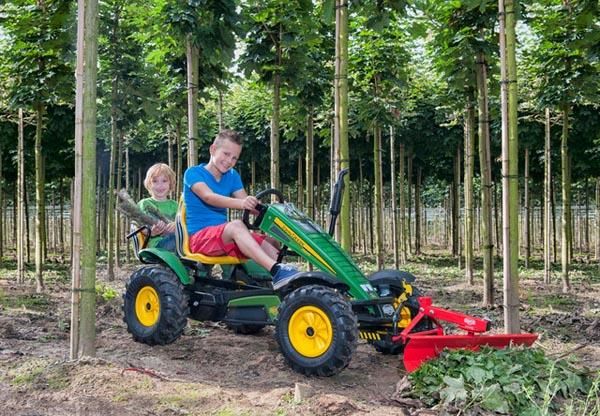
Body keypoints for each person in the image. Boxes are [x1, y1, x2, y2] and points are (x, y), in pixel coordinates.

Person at [183, 129, 298, 287]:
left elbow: (247, 203)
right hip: (199, 239)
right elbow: (209, 197)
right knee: (237, 225)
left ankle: (287, 284)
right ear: (213, 149)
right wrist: (242, 204)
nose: (229, 161)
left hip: (224, 237)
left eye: (234, 158)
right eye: (226, 154)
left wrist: (275, 212)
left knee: (272, 242)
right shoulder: (193, 173)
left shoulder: (232, 176)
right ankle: (276, 270)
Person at [138, 163, 178, 251]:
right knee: (177, 240)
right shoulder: (145, 204)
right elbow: (139, 227)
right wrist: (152, 232)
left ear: (170, 183)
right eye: (155, 181)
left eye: (164, 181)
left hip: (178, 242)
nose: (160, 185)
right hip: (157, 247)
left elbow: (184, 224)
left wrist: (177, 225)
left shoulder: (176, 205)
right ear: (149, 183)